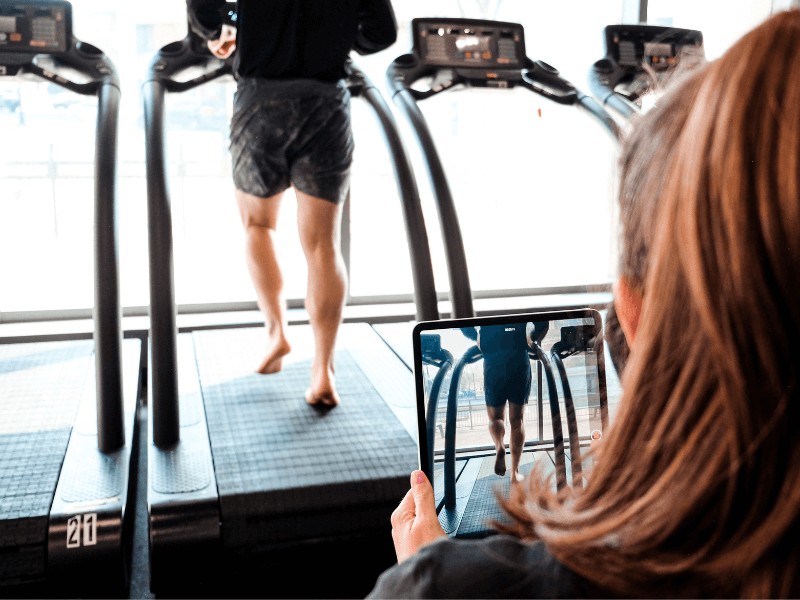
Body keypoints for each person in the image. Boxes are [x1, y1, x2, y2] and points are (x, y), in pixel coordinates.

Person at [367, 9, 800, 598]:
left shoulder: (446, 587)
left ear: (633, 306)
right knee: (509, 422)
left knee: (509, 422)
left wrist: (431, 572)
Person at [186, 0, 398, 407]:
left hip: (260, 97)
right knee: (322, 244)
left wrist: (221, 31)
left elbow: (204, 7)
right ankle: (323, 374)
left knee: (258, 226)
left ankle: (277, 333)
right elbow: (381, 33)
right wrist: (333, 36)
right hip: (325, 101)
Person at [461, 323, 535, 482]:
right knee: (517, 420)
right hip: (518, 356)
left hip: (492, 356)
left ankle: (500, 446)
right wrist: (531, 337)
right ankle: (514, 474)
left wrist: (476, 336)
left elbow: (464, 325)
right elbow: (543, 322)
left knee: (495, 419)